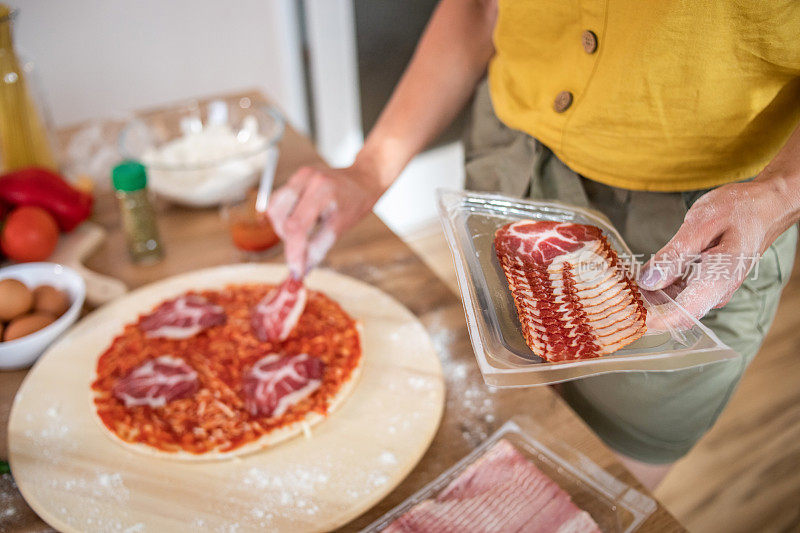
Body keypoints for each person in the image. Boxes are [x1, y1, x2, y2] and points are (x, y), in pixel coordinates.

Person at [267, 0, 800, 489]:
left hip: (697, 225)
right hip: (509, 167)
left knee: (600, 484)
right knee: (510, 408)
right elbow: (480, 8)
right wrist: (369, 168)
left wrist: (782, 191)